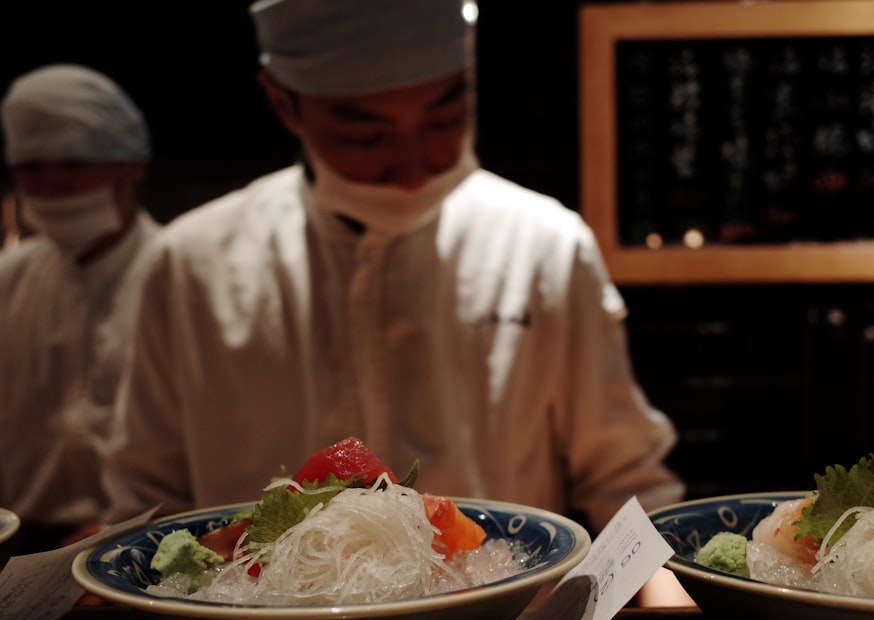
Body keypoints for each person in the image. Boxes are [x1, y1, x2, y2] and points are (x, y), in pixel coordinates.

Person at [104, 0, 685, 541]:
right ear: (284, 104)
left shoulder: (542, 244)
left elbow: (625, 480)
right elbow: (146, 498)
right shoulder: (193, 263)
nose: (413, 171)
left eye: (443, 119)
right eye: (366, 134)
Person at [0, 64, 160, 561]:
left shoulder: (180, 276)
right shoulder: (9, 278)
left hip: (149, 538)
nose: (51, 184)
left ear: (131, 164)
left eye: (73, 164)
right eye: (32, 167)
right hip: (21, 539)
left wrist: (122, 528)